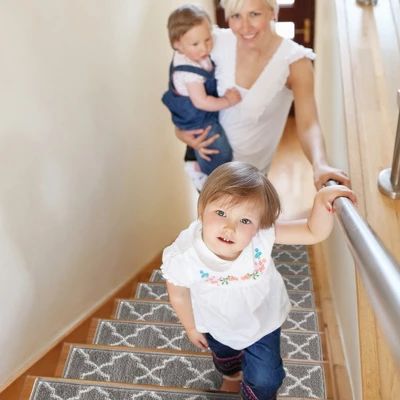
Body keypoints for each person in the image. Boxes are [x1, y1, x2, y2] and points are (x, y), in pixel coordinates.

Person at [161, 161, 357, 400]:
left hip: (263, 320)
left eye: (245, 221)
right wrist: (191, 327)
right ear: (201, 210)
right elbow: (179, 294)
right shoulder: (183, 257)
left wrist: (322, 202)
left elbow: (312, 231)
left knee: (267, 379)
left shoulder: (261, 237)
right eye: (221, 213)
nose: (230, 227)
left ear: (259, 226)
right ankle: (232, 376)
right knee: (225, 358)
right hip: (215, 322)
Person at [174, 0, 350, 191]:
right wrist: (180, 131)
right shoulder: (213, 42)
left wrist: (320, 164)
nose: (245, 27)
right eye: (236, 16)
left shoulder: (295, 62)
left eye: (254, 14)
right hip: (207, 166)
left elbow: (309, 124)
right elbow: (180, 86)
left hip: (250, 179)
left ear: (272, 12)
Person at [162, 4, 242, 191]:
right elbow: (201, 101)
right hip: (198, 119)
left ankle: (200, 166)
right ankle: (203, 174)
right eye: (196, 44)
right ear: (177, 43)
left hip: (199, 115)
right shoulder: (188, 72)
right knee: (219, 151)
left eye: (207, 39)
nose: (204, 47)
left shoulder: (192, 53)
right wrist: (228, 101)